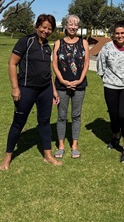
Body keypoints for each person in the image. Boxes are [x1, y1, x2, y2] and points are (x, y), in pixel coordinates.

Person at [0, 14, 62, 170]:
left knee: (44, 122)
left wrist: (53, 90)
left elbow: (48, 71)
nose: (46, 31)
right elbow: (12, 63)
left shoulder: (48, 47)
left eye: (49, 28)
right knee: (18, 123)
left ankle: (48, 156)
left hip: (45, 90)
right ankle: (7, 158)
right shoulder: (26, 41)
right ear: (37, 27)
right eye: (44, 27)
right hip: (26, 89)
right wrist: (15, 87)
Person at [97, 21, 124, 164]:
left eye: (122, 33)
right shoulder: (107, 47)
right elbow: (101, 65)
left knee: (123, 114)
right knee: (114, 115)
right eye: (117, 33)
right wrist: (108, 79)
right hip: (110, 85)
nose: (120, 36)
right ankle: (115, 137)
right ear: (113, 34)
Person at [52, 15, 89, 159]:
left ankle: (74, 145)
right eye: (70, 24)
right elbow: (54, 64)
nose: (73, 27)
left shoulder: (83, 43)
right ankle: (61, 145)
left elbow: (86, 63)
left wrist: (79, 80)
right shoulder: (58, 43)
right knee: (61, 116)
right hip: (62, 86)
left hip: (79, 85)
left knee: (76, 115)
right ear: (65, 25)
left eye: (76, 25)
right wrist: (62, 80)